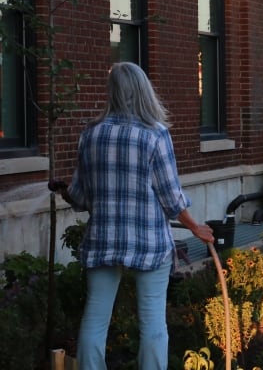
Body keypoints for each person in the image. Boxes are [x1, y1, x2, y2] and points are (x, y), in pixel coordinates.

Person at [49, 62, 214, 369]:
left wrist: (65, 192)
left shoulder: (91, 135)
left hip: (103, 240)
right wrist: (195, 228)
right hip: (149, 243)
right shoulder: (155, 135)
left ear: (111, 92)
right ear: (143, 91)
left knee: (95, 317)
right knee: (152, 321)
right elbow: (170, 196)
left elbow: (82, 197)